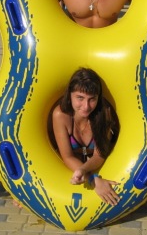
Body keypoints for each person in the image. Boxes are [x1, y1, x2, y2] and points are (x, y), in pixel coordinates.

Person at [51, 67, 121, 205]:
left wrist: (83, 170)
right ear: (70, 95)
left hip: (93, 165)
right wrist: (92, 180)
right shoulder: (61, 115)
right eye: (80, 98)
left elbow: (99, 155)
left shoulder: (104, 113)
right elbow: (67, 156)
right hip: (67, 167)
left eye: (92, 99)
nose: (86, 106)